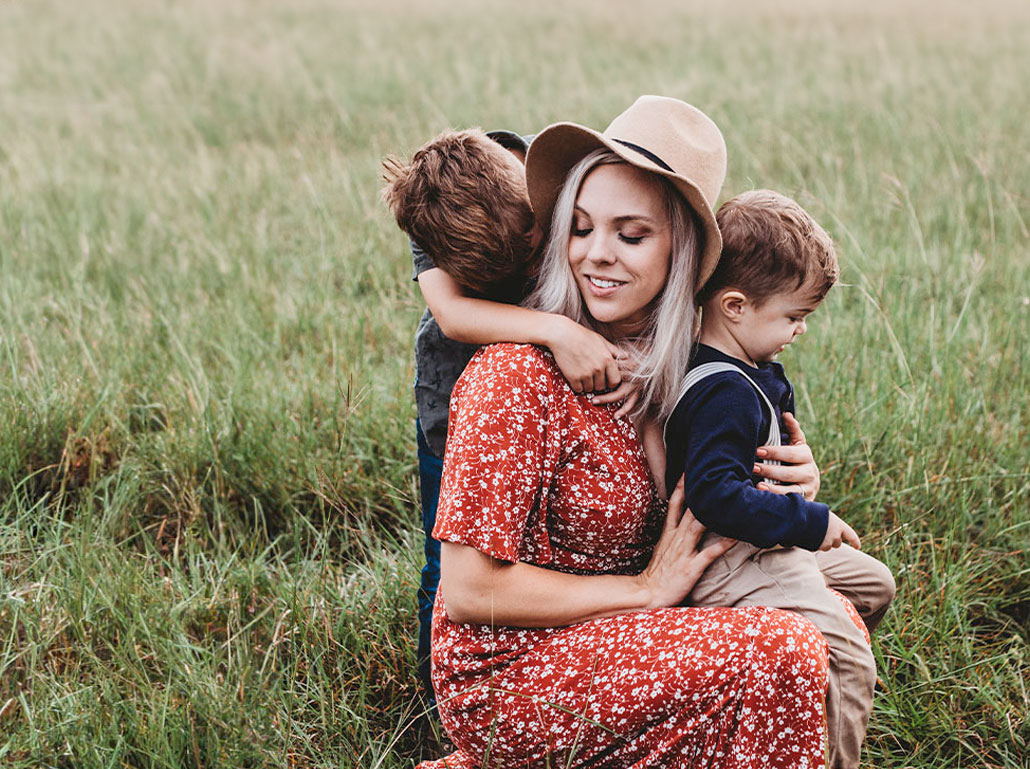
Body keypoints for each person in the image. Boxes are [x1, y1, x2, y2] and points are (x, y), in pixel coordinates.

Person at [415, 96, 845, 769]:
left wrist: (791, 480)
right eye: (581, 228)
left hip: (620, 635)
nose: (596, 256)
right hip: (516, 671)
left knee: (835, 612)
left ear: (684, 252)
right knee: (784, 649)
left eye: (631, 234)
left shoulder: (679, 372)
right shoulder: (515, 374)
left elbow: (717, 495)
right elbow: (472, 591)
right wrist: (644, 590)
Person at [382, 128, 635, 705]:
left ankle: (553, 652)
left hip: (552, 397)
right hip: (454, 397)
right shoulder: (435, 210)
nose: (538, 249)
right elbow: (449, 313)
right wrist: (553, 330)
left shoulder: (532, 170)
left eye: (533, 238)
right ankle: (441, 692)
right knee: (448, 555)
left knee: (554, 534)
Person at [663, 189, 896, 769]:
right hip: (731, 562)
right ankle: (833, 744)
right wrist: (810, 522)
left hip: (761, 546)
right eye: (793, 317)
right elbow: (716, 495)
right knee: (847, 655)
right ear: (735, 306)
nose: (801, 331)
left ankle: (799, 704)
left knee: (874, 585)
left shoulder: (748, 371)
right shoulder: (721, 390)